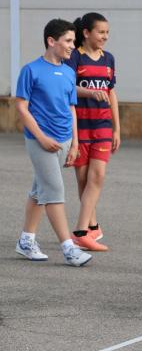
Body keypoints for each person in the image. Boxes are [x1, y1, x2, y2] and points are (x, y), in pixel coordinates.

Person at [14, 18, 93, 267]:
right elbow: (21, 107)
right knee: (54, 191)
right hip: (40, 141)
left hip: (64, 141)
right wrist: (41, 137)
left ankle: (26, 241)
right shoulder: (31, 70)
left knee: (40, 191)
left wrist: (75, 144)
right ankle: (69, 249)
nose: (72, 46)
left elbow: (71, 109)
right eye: (68, 41)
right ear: (51, 41)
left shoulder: (69, 72)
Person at [65, 12, 120, 251]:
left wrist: (117, 127)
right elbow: (67, 88)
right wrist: (88, 92)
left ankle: (80, 232)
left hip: (102, 126)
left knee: (97, 177)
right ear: (86, 33)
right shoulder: (74, 57)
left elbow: (111, 93)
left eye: (107, 32)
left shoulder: (108, 59)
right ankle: (93, 226)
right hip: (80, 126)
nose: (105, 37)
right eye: (101, 32)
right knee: (84, 179)